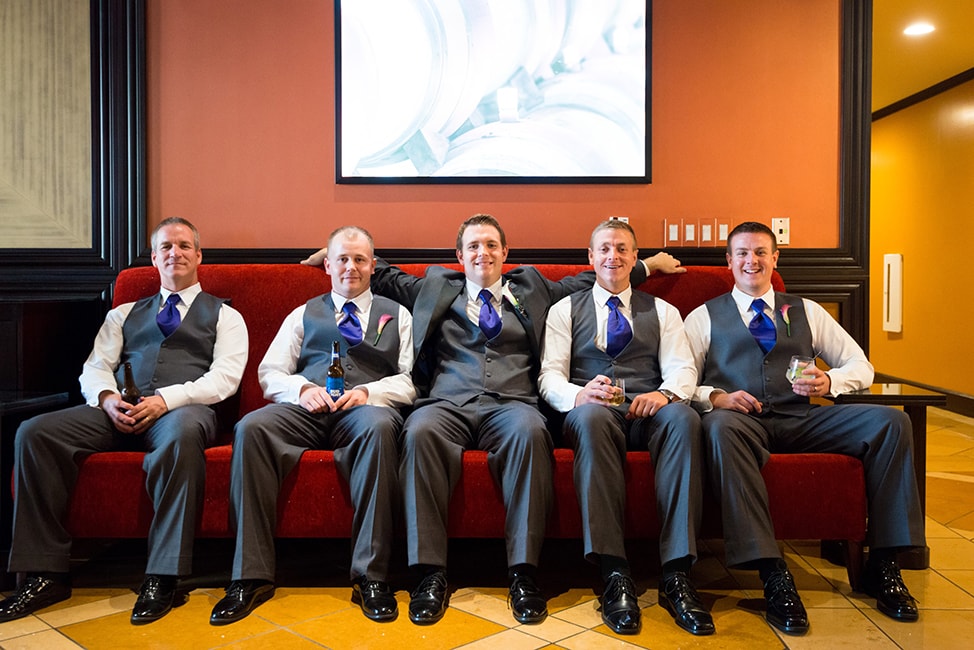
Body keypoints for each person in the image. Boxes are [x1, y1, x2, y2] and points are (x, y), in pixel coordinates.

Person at [308, 213, 683, 626]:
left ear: (505, 252)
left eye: (491, 245)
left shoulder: (534, 289)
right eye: (473, 246)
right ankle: (429, 574)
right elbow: (385, 276)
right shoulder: (437, 286)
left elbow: (594, 279)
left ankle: (524, 574)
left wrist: (647, 266)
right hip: (446, 402)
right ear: (459, 255)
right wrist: (338, 255)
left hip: (513, 403)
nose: (482, 253)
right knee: (419, 432)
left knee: (530, 431)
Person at [0, 217, 248, 625]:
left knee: (183, 434)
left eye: (185, 246)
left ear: (199, 256)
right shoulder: (125, 313)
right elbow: (96, 366)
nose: (176, 253)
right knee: (36, 432)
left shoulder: (224, 315)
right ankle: (45, 572)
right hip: (118, 410)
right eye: (166, 247)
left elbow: (225, 378)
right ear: (154, 258)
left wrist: (165, 400)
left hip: (183, 411)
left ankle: (163, 575)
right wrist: (107, 399)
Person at [683, 221, 924, 635]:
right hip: (741, 423)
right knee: (720, 428)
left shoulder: (807, 310)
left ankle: (882, 564)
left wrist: (829, 382)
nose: (751, 261)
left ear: (775, 259)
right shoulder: (703, 317)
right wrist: (717, 397)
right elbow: (681, 378)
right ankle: (772, 573)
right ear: (729, 262)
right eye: (742, 253)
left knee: (891, 422)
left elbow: (861, 365)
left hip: (803, 417)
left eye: (760, 252)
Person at [209, 226, 416, 625]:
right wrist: (302, 388)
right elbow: (269, 372)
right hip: (306, 410)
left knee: (379, 429)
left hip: (364, 411)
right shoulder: (303, 313)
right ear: (328, 264)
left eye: (359, 259)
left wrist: (370, 393)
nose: (351, 267)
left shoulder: (399, 315)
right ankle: (248, 576)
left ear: (374, 265)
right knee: (252, 429)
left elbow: (410, 380)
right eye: (342, 258)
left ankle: (371, 576)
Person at [538, 219, 711, 636]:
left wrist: (666, 395)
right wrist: (579, 395)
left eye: (622, 249)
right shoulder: (565, 310)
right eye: (605, 249)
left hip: (648, 406)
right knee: (593, 419)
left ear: (635, 258)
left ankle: (677, 574)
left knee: (685, 418)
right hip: (591, 410)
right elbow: (549, 377)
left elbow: (682, 369)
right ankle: (614, 572)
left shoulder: (664, 312)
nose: (613, 256)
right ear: (591, 258)